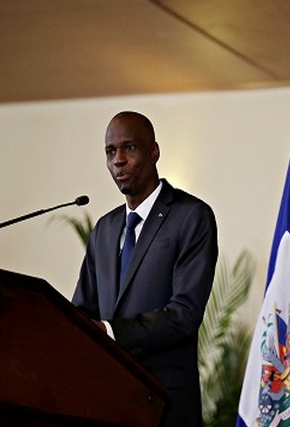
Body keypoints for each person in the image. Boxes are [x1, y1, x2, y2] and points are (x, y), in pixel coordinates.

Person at [72, 111, 218, 427]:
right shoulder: (105, 229)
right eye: (111, 152)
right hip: (109, 402)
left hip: (165, 406)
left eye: (129, 148)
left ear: (154, 152)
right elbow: (81, 310)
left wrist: (111, 332)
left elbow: (184, 315)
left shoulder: (191, 217)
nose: (118, 161)